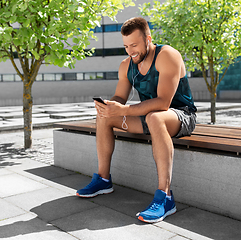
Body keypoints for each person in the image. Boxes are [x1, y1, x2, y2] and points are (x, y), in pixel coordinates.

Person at [76, 17, 197, 223]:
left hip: (181, 115)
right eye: (125, 46)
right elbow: (120, 98)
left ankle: (165, 197)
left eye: (134, 45)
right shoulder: (126, 65)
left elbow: (163, 103)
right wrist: (110, 105)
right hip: (148, 117)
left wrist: (125, 110)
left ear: (148, 38)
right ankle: (103, 179)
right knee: (105, 116)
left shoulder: (167, 55)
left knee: (155, 117)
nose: (130, 51)